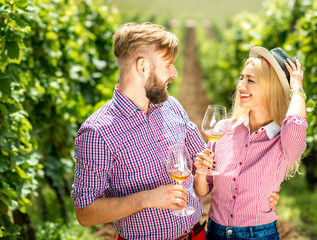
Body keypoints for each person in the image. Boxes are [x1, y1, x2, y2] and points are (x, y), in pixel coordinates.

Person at [71, 23, 280, 240]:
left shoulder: (172, 107)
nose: (175, 73)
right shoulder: (97, 132)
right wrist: (147, 199)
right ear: (142, 67)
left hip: (196, 235)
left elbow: (211, 164)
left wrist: (259, 189)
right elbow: (85, 214)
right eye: (168, 64)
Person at [193, 47, 307, 240]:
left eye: (250, 80)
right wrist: (201, 172)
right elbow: (202, 190)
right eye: (242, 78)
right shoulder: (224, 129)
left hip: (258, 235)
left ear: (272, 88)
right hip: (215, 232)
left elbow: (296, 123)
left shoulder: (282, 142)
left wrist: (296, 88)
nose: (240, 86)